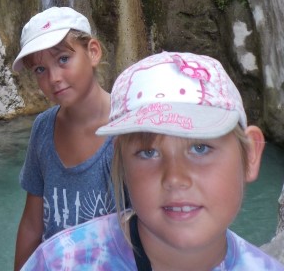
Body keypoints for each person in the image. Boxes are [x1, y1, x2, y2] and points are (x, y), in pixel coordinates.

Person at [20, 50, 284, 271]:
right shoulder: (60, 263)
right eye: (148, 152)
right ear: (121, 162)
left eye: (200, 148)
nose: (175, 178)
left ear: (250, 155)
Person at [13, 6, 116, 271]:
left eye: (63, 59)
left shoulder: (126, 128)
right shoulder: (43, 128)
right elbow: (32, 224)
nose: (54, 78)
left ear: (93, 52)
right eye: (40, 69)